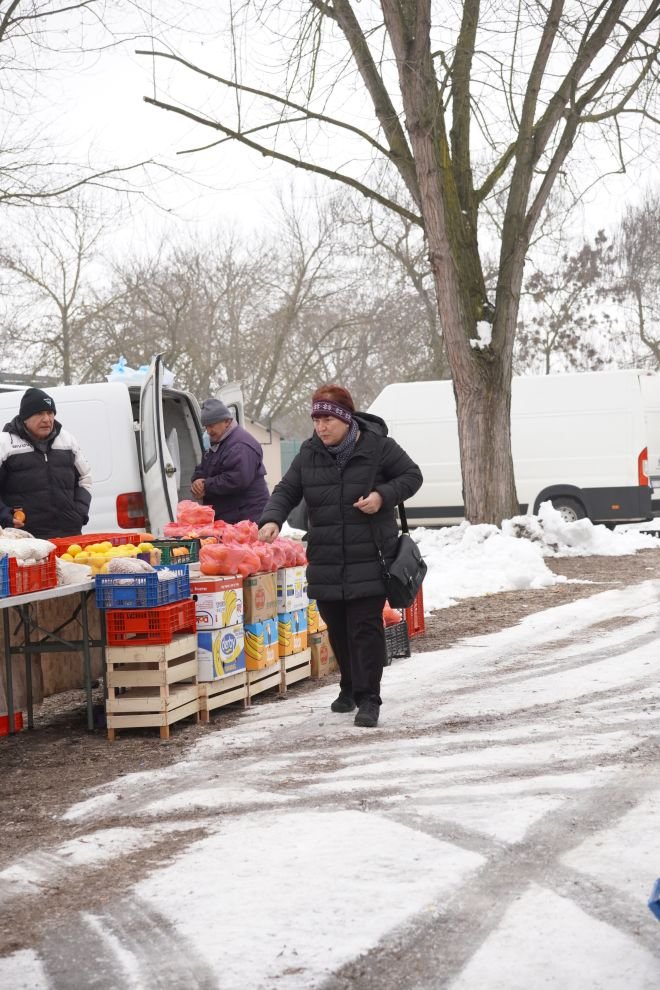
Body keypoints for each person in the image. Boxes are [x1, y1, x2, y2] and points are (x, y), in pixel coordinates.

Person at [258, 384, 422, 728]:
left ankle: (369, 698)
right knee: (338, 625)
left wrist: (382, 496)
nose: (321, 426)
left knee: (365, 627)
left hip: (371, 555)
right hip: (328, 556)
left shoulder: (378, 447)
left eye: (328, 419)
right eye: (316, 419)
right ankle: (348, 684)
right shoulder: (309, 453)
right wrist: (272, 518)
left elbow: (412, 476)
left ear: (346, 419)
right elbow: (287, 489)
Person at [0, 387, 92, 539]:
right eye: (39, 413)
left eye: (50, 413)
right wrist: (5, 516)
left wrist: (79, 512)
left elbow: (85, 477)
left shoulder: (67, 440)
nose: (47, 419)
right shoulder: (5, 444)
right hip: (25, 540)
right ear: (25, 417)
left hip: (69, 535)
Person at [191, 398, 269, 524]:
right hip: (231, 516)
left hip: (248, 517)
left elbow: (236, 479)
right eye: (206, 427)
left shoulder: (240, 445)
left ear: (227, 421)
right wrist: (197, 480)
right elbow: (205, 466)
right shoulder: (218, 442)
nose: (209, 431)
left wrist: (206, 486)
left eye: (211, 426)